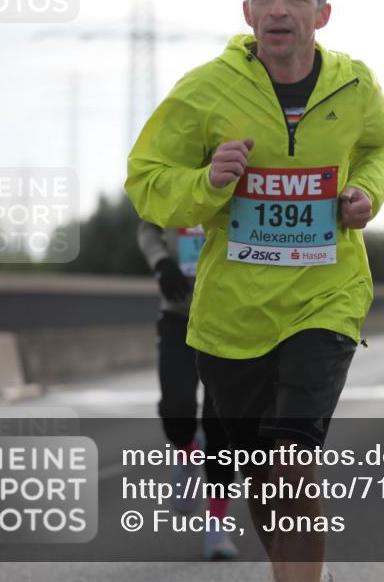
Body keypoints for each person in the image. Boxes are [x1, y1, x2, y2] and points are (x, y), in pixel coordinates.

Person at [125, 0, 384, 582]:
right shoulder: (204, 91)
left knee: (292, 456)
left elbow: (382, 147)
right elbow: (146, 180)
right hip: (231, 315)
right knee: (262, 474)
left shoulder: (355, 85)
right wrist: (209, 184)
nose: (279, 10)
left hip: (325, 297)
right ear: (247, 13)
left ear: (322, 13)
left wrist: (367, 192)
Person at [137, 221, 236, 560]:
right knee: (176, 407)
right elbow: (147, 227)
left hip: (230, 316)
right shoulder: (173, 169)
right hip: (178, 311)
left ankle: (217, 529)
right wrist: (161, 262)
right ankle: (188, 452)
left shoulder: (249, 170)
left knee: (219, 424)